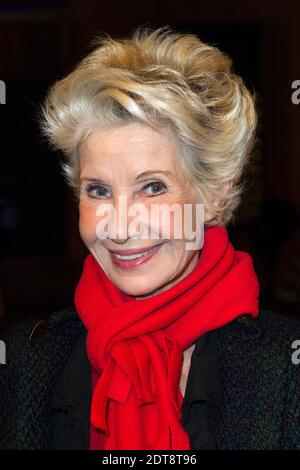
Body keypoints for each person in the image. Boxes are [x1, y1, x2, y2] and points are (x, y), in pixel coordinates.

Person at [0, 27, 299, 450]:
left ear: (214, 195)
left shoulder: (285, 366)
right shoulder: (25, 359)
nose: (120, 228)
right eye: (99, 191)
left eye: (153, 187)